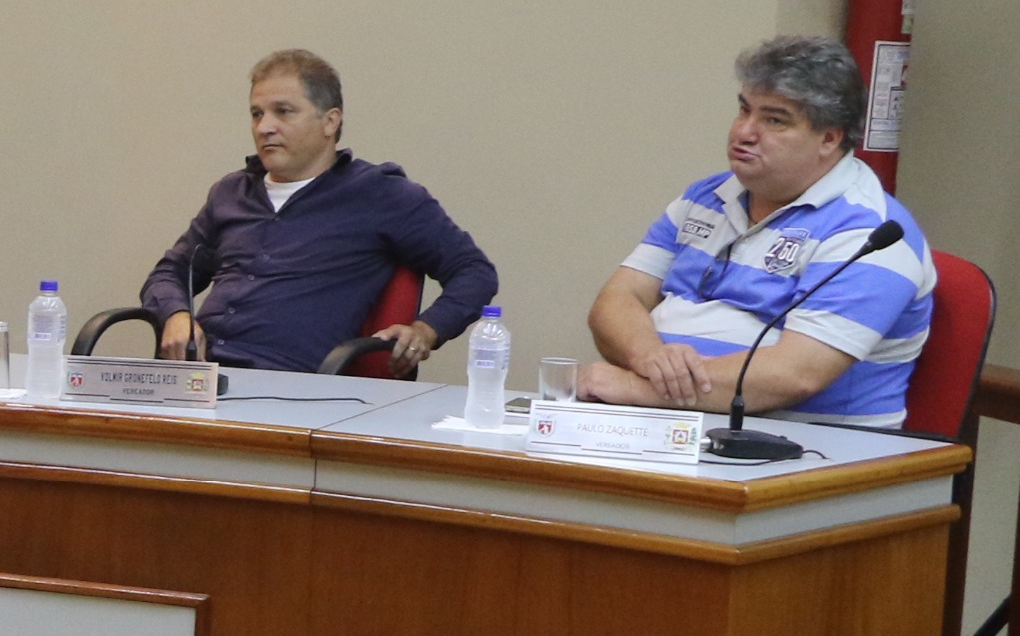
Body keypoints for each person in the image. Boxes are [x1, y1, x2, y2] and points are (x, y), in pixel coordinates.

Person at [578, 35, 934, 427]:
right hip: (680, 427)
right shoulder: (706, 197)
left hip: (808, 447)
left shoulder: (870, 232)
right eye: (744, 110)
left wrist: (639, 390)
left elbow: (796, 375)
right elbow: (617, 300)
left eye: (774, 120)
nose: (744, 132)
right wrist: (650, 357)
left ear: (829, 138)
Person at [142, 50, 498, 373]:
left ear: (330, 122)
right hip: (197, 377)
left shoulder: (380, 195)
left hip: (289, 386)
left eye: (283, 111)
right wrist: (176, 315)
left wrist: (426, 330)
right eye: (256, 114)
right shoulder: (231, 193)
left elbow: (474, 271)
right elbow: (170, 272)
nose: (264, 127)